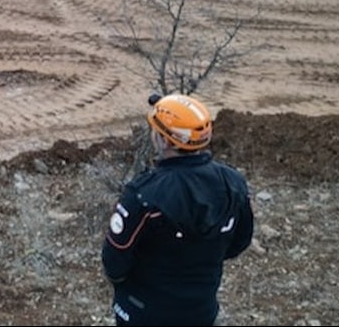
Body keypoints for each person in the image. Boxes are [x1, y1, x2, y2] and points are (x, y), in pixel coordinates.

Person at [101, 93, 254, 326]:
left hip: (144, 312)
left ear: (166, 141)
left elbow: (115, 261)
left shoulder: (144, 195)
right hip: (200, 310)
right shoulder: (233, 183)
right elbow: (239, 242)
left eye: (156, 131)